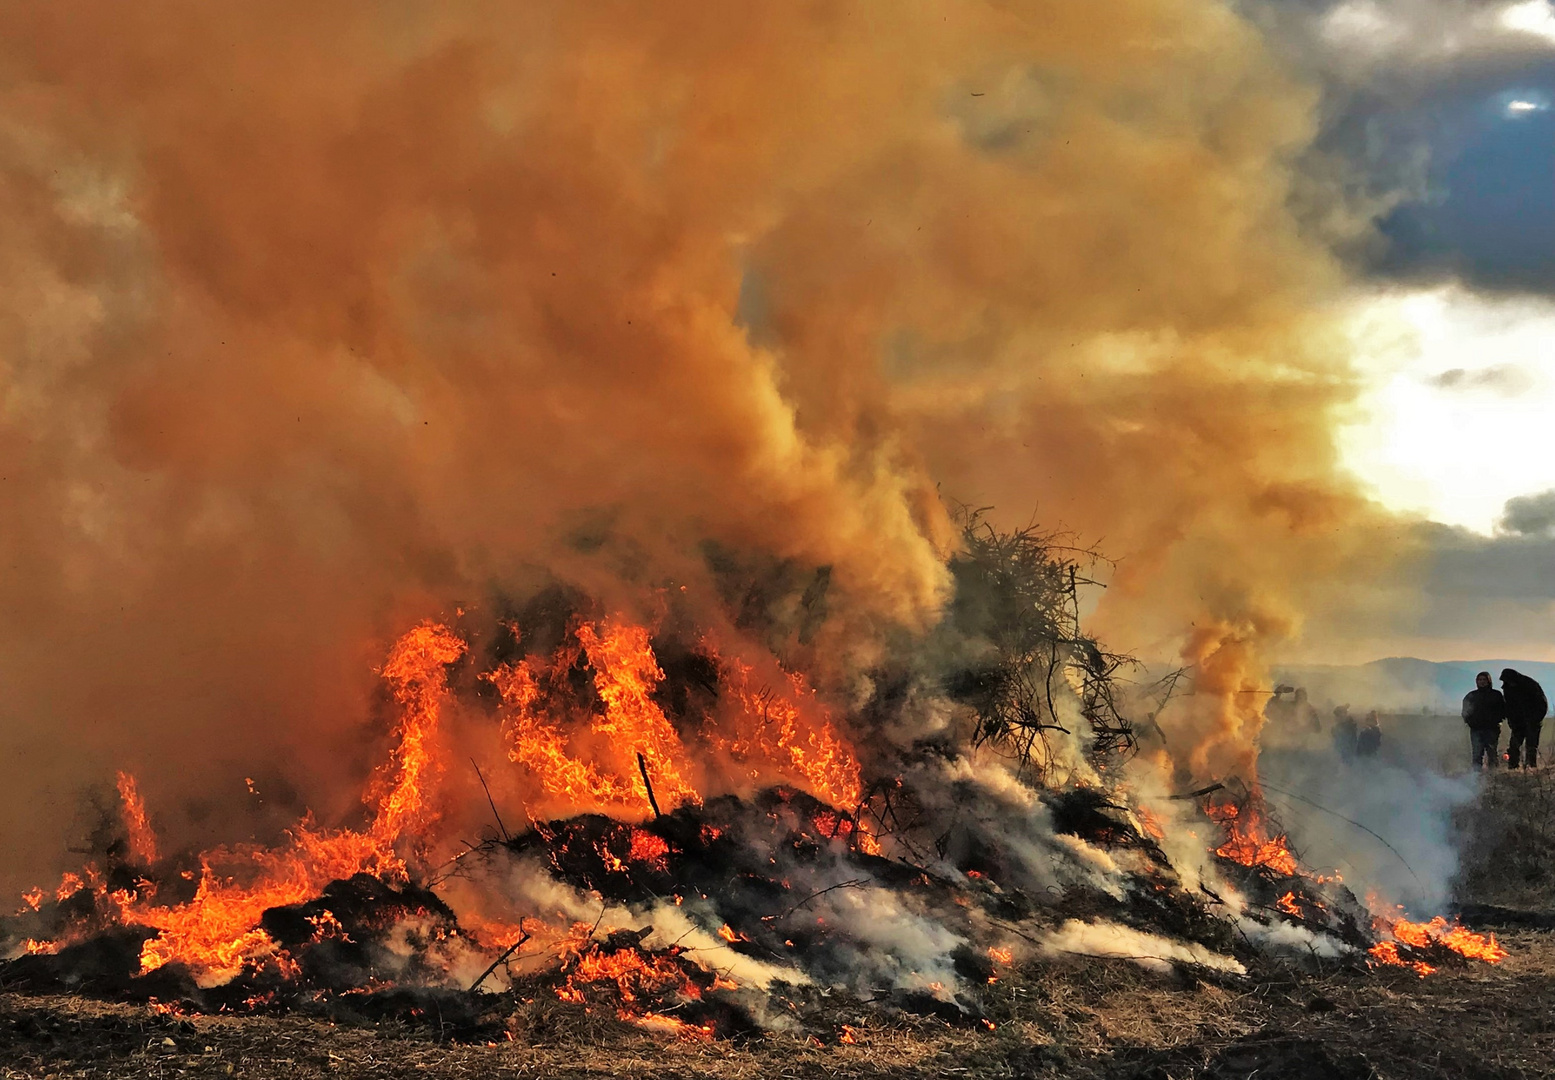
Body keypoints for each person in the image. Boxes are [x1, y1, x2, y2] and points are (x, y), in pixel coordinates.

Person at [1500, 668, 1549, 769]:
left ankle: (1531, 767)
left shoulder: (1530, 685)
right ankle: (1513, 767)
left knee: (1531, 747)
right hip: (1517, 723)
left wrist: (1535, 719)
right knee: (1514, 746)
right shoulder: (1507, 688)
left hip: (1533, 721)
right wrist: (1512, 721)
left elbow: (1542, 704)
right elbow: (1509, 706)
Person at [1462, 671, 1507, 770]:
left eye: (1484, 680)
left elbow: (1503, 710)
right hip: (1476, 729)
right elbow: (1465, 711)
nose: (1482, 682)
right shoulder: (1471, 696)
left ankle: (1493, 775)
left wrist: (1497, 720)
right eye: (1480, 680)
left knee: (1492, 753)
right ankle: (1475, 776)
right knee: (1477, 754)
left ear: (1489, 681)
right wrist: (1470, 722)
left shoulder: (1496, 695)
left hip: (1492, 729)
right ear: (1476, 681)